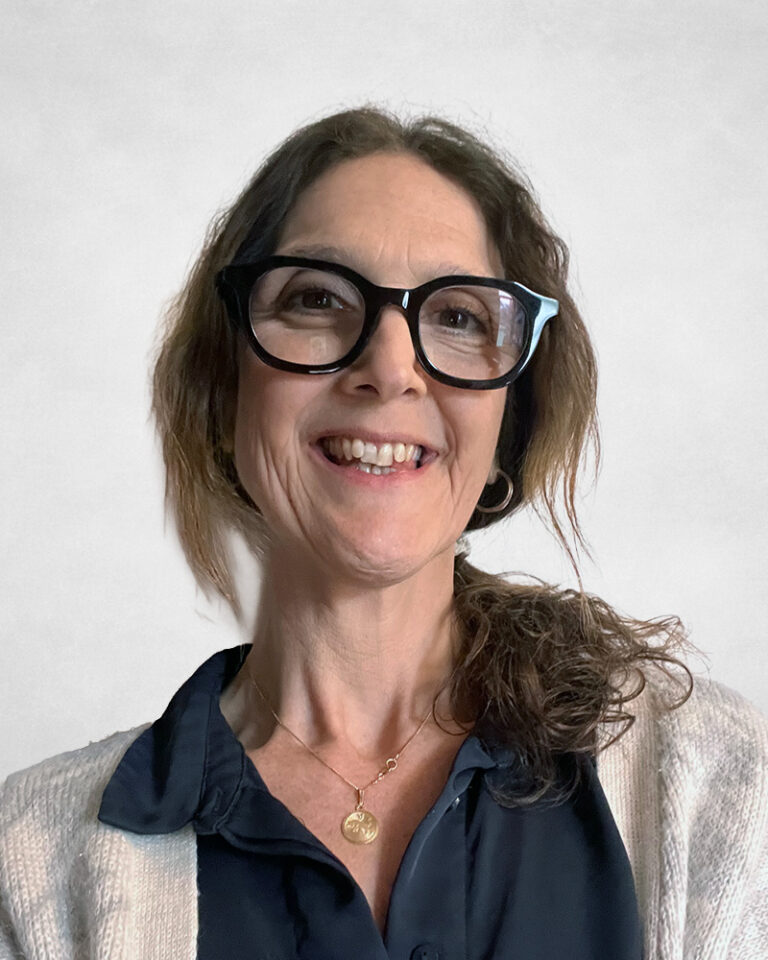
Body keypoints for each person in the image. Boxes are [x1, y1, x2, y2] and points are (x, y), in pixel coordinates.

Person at [1, 106, 767, 960]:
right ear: (223, 391)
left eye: (459, 317)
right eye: (318, 299)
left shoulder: (718, 791)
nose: (391, 369)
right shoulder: (31, 860)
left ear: (507, 419)